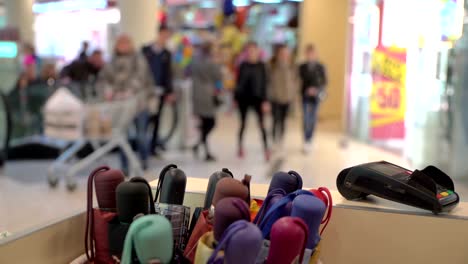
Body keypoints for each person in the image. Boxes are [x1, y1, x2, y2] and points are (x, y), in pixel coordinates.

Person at [96, 34, 154, 172]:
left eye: (126, 43)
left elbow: (141, 77)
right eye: (120, 43)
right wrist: (109, 91)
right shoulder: (111, 62)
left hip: (138, 104)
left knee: (141, 135)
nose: (123, 46)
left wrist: (129, 91)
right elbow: (103, 80)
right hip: (120, 106)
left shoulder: (139, 59)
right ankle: (125, 165)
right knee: (122, 136)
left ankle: (143, 160)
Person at [142, 26, 175, 156]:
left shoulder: (166, 54)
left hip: (160, 92)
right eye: (164, 34)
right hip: (146, 93)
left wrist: (169, 91)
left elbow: (168, 74)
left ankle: (153, 147)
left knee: (157, 120)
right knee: (145, 120)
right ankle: (142, 147)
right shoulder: (146, 51)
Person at [235, 42, 270, 161]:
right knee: (243, 123)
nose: (251, 53)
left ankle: (266, 149)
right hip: (243, 98)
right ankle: (240, 147)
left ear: (257, 51)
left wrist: (265, 101)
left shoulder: (262, 65)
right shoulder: (243, 65)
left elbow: (265, 84)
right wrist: (236, 98)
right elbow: (238, 82)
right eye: (249, 51)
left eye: (253, 50)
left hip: (258, 99)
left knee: (262, 125)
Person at [191, 43, 222, 162]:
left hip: (197, 95)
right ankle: (204, 150)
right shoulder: (212, 63)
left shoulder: (195, 61)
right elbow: (218, 77)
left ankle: (199, 146)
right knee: (210, 122)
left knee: (205, 123)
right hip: (208, 96)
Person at [298, 44, 327, 153]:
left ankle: (310, 139)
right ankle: (305, 139)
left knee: (313, 118)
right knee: (306, 118)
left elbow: (324, 81)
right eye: (308, 53)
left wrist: (316, 90)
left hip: (316, 97)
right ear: (306, 54)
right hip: (305, 96)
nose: (310, 55)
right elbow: (298, 81)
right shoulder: (302, 67)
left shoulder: (320, 67)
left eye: (312, 53)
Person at [268, 44, 297, 147]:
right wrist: (270, 97)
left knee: (283, 121)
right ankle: (274, 140)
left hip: (287, 98)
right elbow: (269, 83)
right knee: (276, 120)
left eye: (286, 53)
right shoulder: (272, 66)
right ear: (278, 54)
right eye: (282, 53)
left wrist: (293, 96)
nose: (284, 55)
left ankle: (281, 140)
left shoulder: (292, 66)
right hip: (275, 98)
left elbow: (294, 82)